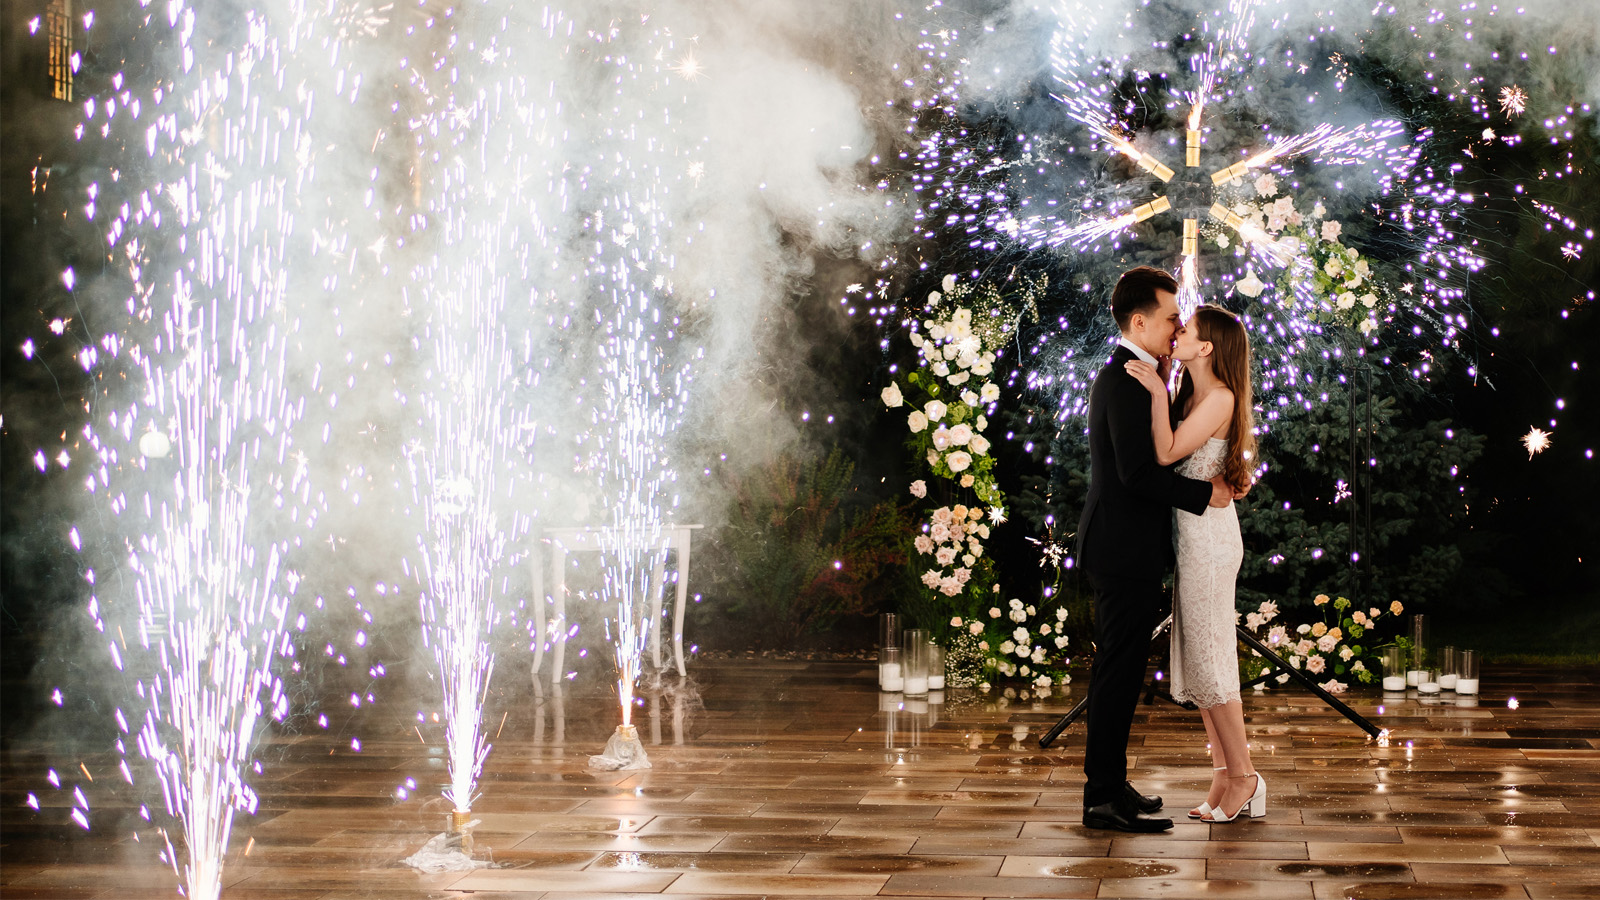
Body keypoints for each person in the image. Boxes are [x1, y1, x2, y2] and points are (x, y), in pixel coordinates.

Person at [1074, 267, 1240, 834]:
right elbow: (1140, 473)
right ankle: (1101, 798)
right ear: (1139, 321)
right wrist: (1207, 493)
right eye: (1171, 318)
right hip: (1121, 549)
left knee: (1119, 673)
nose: (1176, 328)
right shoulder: (1125, 378)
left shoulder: (1143, 375)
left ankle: (1112, 784)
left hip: (1130, 548)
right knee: (1116, 674)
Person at [1125, 304, 1265, 823]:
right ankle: (1225, 775)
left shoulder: (1220, 397)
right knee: (1203, 662)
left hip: (1210, 544)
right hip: (1192, 541)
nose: (1177, 332)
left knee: (1214, 664)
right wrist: (1168, 387)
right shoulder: (1195, 392)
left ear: (1206, 348)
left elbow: (1165, 455)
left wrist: (1159, 391)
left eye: (1188, 330)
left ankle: (1245, 777)